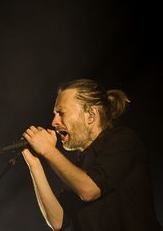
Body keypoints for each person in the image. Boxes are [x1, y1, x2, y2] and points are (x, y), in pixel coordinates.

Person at [21, 79, 162, 231]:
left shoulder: (124, 140)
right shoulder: (80, 165)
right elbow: (57, 221)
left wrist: (48, 150)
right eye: (55, 114)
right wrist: (34, 165)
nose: (54, 122)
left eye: (61, 113)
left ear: (91, 115)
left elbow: (89, 190)